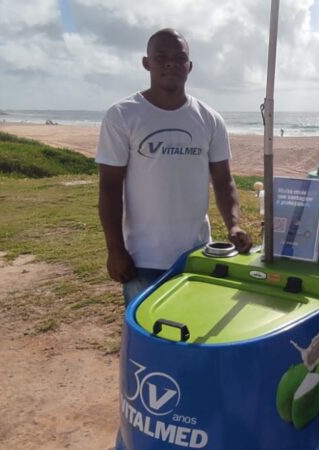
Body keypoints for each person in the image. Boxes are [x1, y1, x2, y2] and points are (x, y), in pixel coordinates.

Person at [96, 28, 252, 304]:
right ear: (147, 63)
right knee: (147, 339)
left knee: (191, 333)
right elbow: (109, 189)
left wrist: (234, 225)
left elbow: (224, 181)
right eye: (161, 56)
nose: (171, 63)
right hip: (142, 259)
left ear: (189, 66)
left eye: (180, 58)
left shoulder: (210, 119)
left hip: (197, 256)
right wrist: (115, 249)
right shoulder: (122, 115)